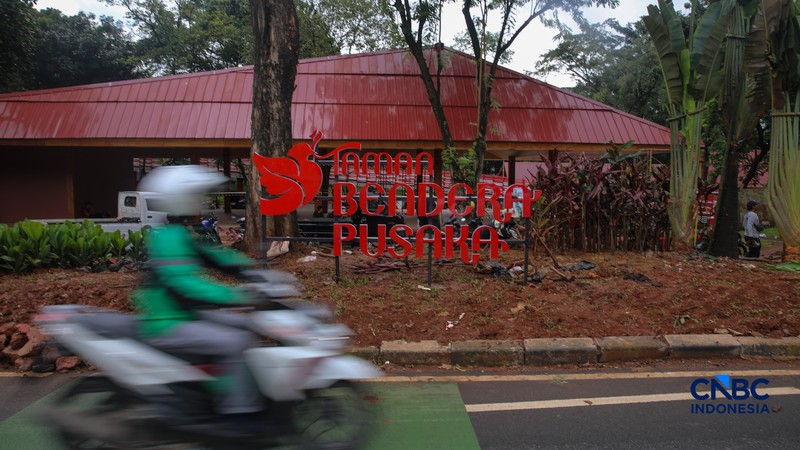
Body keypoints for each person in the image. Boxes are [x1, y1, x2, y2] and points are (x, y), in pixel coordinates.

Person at [135, 165, 264, 425]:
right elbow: (185, 285)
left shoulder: (176, 232)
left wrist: (252, 270)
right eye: (197, 195)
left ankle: (221, 390)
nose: (201, 200)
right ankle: (240, 415)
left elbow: (213, 258)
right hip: (168, 321)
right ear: (182, 197)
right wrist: (234, 296)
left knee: (244, 326)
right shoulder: (169, 238)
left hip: (183, 314)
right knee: (235, 341)